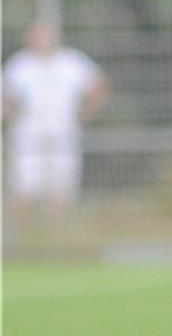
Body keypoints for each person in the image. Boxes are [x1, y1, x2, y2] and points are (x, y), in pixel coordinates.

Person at [2, 23, 107, 222]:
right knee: (24, 187)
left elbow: (97, 85)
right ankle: (23, 237)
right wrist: (8, 115)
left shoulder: (71, 61)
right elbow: (5, 97)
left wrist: (85, 113)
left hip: (63, 131)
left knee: (61, 189)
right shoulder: (19, 64)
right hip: (28, 134)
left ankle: (55, 233)